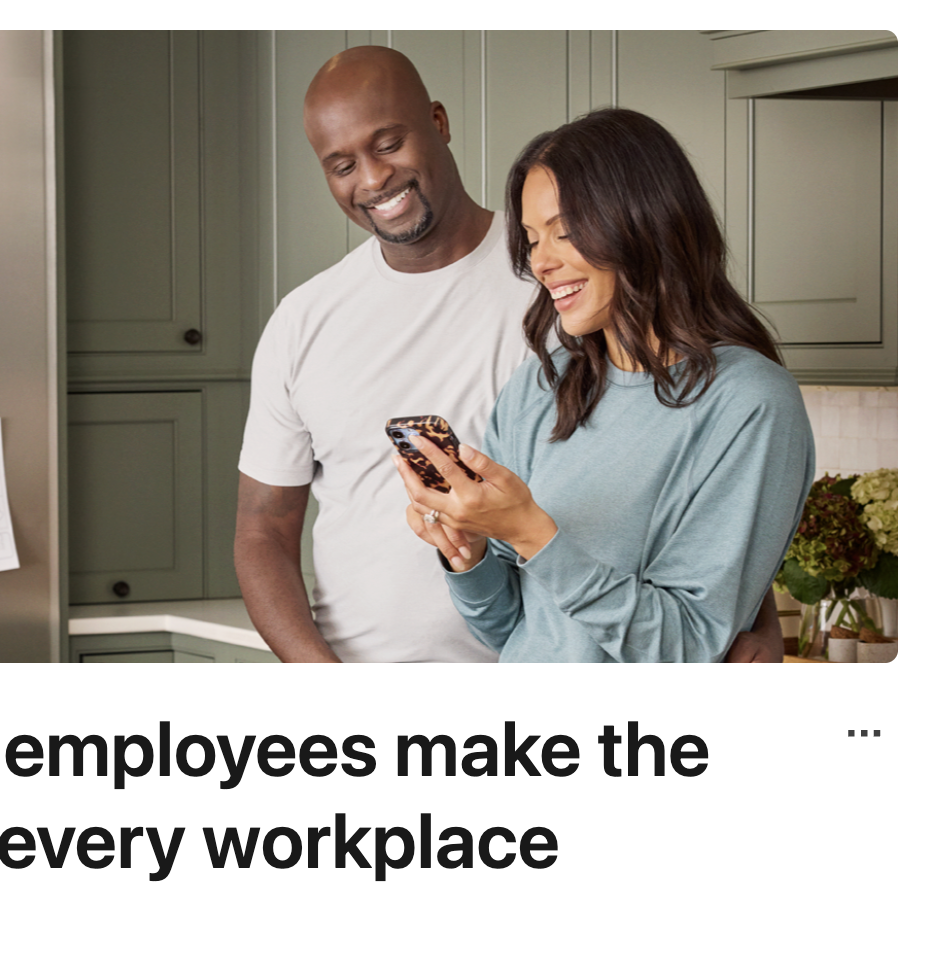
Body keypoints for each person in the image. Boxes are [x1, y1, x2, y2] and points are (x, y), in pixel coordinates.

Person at [236, 47, 782, 664]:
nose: (371, 178)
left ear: (438, 123)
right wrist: (463, 559)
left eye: (388, 144)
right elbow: (262, 531)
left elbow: (690, 508)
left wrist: (748, 605)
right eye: (341, 164)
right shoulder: (308, 321)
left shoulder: (568, 297)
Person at [398, 108, 813, 663]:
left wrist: (534, 537)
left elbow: (686, 648)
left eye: (564, 232)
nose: (540, 262)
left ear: (644, 222)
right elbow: (513, 633)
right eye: (531, 239)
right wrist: (469, 557)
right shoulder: (544, 385)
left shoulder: (749, 405)